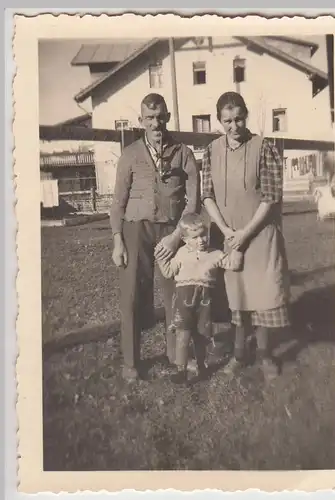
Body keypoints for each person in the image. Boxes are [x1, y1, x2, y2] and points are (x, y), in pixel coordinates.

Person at [201, 91, 291, 381]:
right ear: (219, 121)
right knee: (236, 296)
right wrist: (228, 233)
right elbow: (207, 196)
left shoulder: (263, 148)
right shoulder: (210, 151)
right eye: (227, 120)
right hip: (228, 236)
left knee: (263, 296)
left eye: (239, 118)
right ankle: (240, 355)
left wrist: (246, 233)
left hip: (260, 232)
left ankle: (265, 355)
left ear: (246, 116)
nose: (234, 126)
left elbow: (270, 196)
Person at [110, 93, 200, 381]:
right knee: (132, 296)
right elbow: (117, 202)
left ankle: (178, 356)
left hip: (171, 231)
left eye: (160, 116)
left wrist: (177, 236)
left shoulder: (183, 152)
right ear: (141, 121)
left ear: (168, 118)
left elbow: (194, 200)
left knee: (177, 294)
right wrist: (117, 240)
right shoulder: (130, 154)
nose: (156, 122)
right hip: (136, 231)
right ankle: (131, 362)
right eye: (149, 118)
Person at [155, 213, 243, 385]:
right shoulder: (180, 254)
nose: (201, 240)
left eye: (203, 235)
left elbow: (233, 264)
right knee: (183, 334)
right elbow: (168, 272)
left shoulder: (215, 254)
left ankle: (202, 365)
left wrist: (238, 247)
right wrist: (160, 257)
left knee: (201, 335)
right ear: (186, 239)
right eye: (195, 237)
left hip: (204, 303)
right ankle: (181, 369)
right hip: (183, 301)